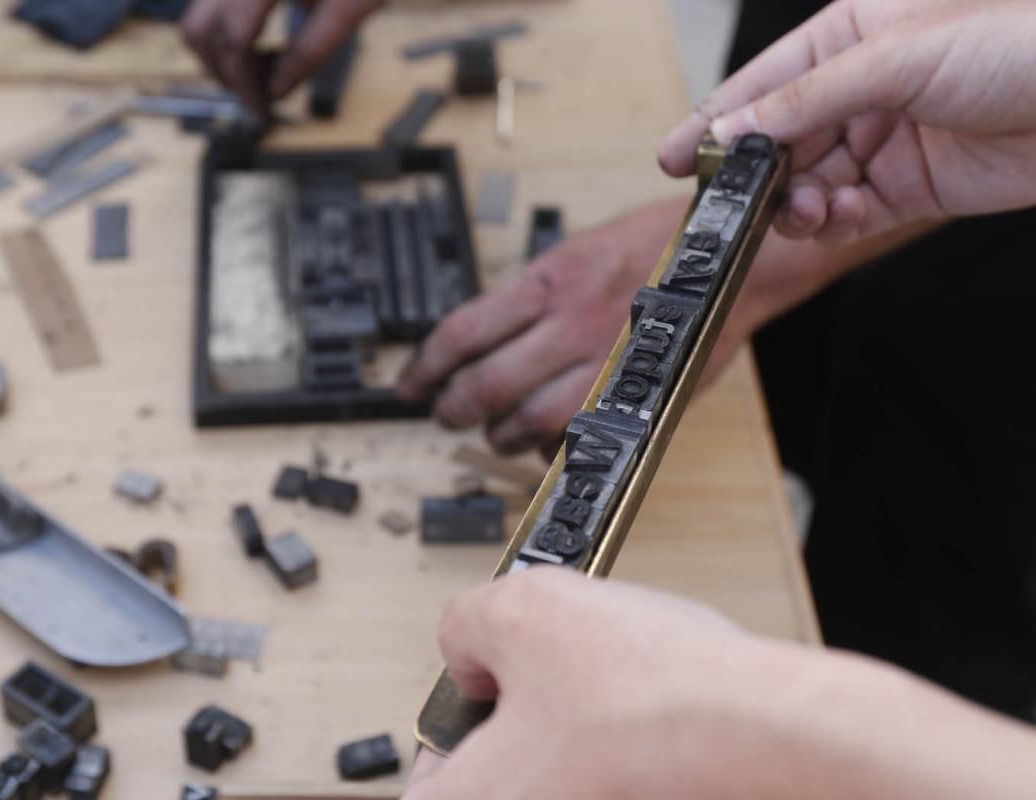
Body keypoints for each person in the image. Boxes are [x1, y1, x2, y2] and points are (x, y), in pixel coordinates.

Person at [183, 0, 1036, 793]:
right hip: (895, 83)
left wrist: (747, 723)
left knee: (925, 587)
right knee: (823, 439)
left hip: (996, 343)